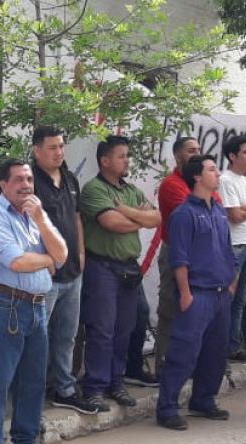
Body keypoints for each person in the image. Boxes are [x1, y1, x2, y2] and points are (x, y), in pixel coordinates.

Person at [0, 158, 67, 444]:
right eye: (18, 180)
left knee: (32, 380)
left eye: (28, 179)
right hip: (7, 304)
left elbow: (63, 253)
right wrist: (48, 260)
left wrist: (41, 219)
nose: (26, 185)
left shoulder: (34, 216)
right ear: (3, 185)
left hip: (37, 306)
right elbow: (16, 261)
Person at [79, 135, 160, 411]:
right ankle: (95, 387)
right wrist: (137, 218)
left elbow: (157, 218)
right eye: (121, 155)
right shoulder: (93, 190)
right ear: (105, 161)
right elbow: (112, 223)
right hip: (102, 266)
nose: (127, 160)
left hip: (128, 267)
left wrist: (125, 210)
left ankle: (116, 382)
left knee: (125, 328)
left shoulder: (129, 191)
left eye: (127, 155)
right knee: (101, 329)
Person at [156, 155, 234, 430]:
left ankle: (203, 400)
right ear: (198, 177)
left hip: (221, 292)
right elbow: (180, 258)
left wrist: (232, 282)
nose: (218, 174)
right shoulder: (183, 214)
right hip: (198, 292)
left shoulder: (219, 211)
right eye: (212, 169)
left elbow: (226, 248)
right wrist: (186, 292)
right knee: (184, 350)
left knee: (215, 350)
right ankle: (167, 407)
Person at [31, 126, 97, 414]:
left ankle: (64, 388)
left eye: (61, 146)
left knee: (66, 335)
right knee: (38, 335)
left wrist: (81, 251)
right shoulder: (29, 180)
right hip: (44, 273)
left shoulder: (70, 178)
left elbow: (77, 219)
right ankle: (31, 390)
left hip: (72, 272)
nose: (59, 152)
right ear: (37, 150)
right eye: (52, 147)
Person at [153, 136, 208, 379]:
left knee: (197, 314)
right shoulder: (172, 184)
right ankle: (165, 369)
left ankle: (191, 367)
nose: (197, 154)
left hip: (202, 257)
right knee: (170, 310)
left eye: (199, 149)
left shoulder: (203, 183)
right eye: (191, 150)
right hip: (177, 253)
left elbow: (215, 213)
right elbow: (193, 219)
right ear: (178, 157)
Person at [218, 135, 246, 361]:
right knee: (228, 297)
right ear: (232, 156)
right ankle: (221, 345)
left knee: (242, 300)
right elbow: (234, 216)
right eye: (245, 152)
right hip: (234, 244)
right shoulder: (225, 180)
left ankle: (233, 345)